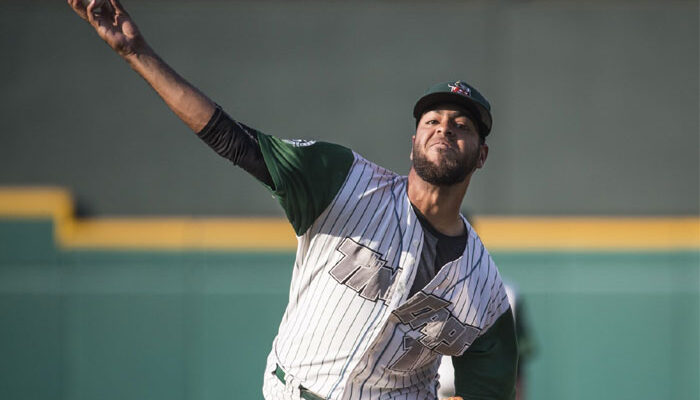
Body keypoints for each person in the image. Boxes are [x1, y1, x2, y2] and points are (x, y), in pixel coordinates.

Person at [68, 1, 518, 399]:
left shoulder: (483, 288)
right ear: (413, 141)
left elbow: (489, 390)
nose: (445, 128)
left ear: (481, 155)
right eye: (432, 120)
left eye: (462, 125)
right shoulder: (344, 182)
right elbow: (233, 138)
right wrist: (136, 52)